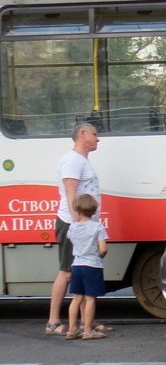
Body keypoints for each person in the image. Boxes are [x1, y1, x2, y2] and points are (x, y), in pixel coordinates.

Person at [45, 122, 109, 335]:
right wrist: (78, 226)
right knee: (66, 272)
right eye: (94, 134)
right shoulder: (72, 160)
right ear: (82, 134)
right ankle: (53, 321)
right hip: (73, 224)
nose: (97, 138)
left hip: (81, 225)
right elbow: (71, 194)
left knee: (79, 272)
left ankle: (85, 322)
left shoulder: (80, 160)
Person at [63, 194, 109, 340]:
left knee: (76, 299)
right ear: (94, 210)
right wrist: (100, 255)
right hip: (92, 266)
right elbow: (103, 249)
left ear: (77, 210)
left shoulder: (72, 228)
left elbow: (72, 241)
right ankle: (87, 330)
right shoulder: (97, 227)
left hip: (77, 265)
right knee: (90, 299)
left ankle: (71, 329)